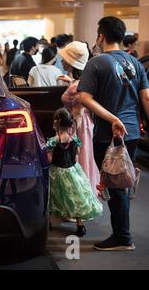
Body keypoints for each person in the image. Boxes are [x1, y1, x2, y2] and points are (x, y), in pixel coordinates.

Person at [78, 16, 149, 251]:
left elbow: (84, 98)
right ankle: (122, 233)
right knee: (123, 182)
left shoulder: (97, 62)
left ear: (101, 36)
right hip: (132, 133)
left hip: (107, 135)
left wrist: (111, 118)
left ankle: (122, 237)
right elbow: (146, 98)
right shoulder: (135, 63)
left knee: (116, 185)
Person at [46, 108, 103, 237]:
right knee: (76, 196)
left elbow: (49, 159)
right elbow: (76, 156)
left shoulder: (53, 141)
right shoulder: (74, 140)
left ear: (56, 124)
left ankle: (48, 221)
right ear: (70, 124)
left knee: (53, 196)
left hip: (56, 172)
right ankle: (80, 224)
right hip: (72, 171)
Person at [59, 41, 100, 194]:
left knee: (77, 160)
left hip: (78, 126)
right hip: (85, 125)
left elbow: (78, 113)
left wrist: (73, 137)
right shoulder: (80, 82)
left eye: (64, 58)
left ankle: (78, 202)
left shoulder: (77, 86)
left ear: (72, 62)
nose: (62, 61)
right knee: (84, 159)